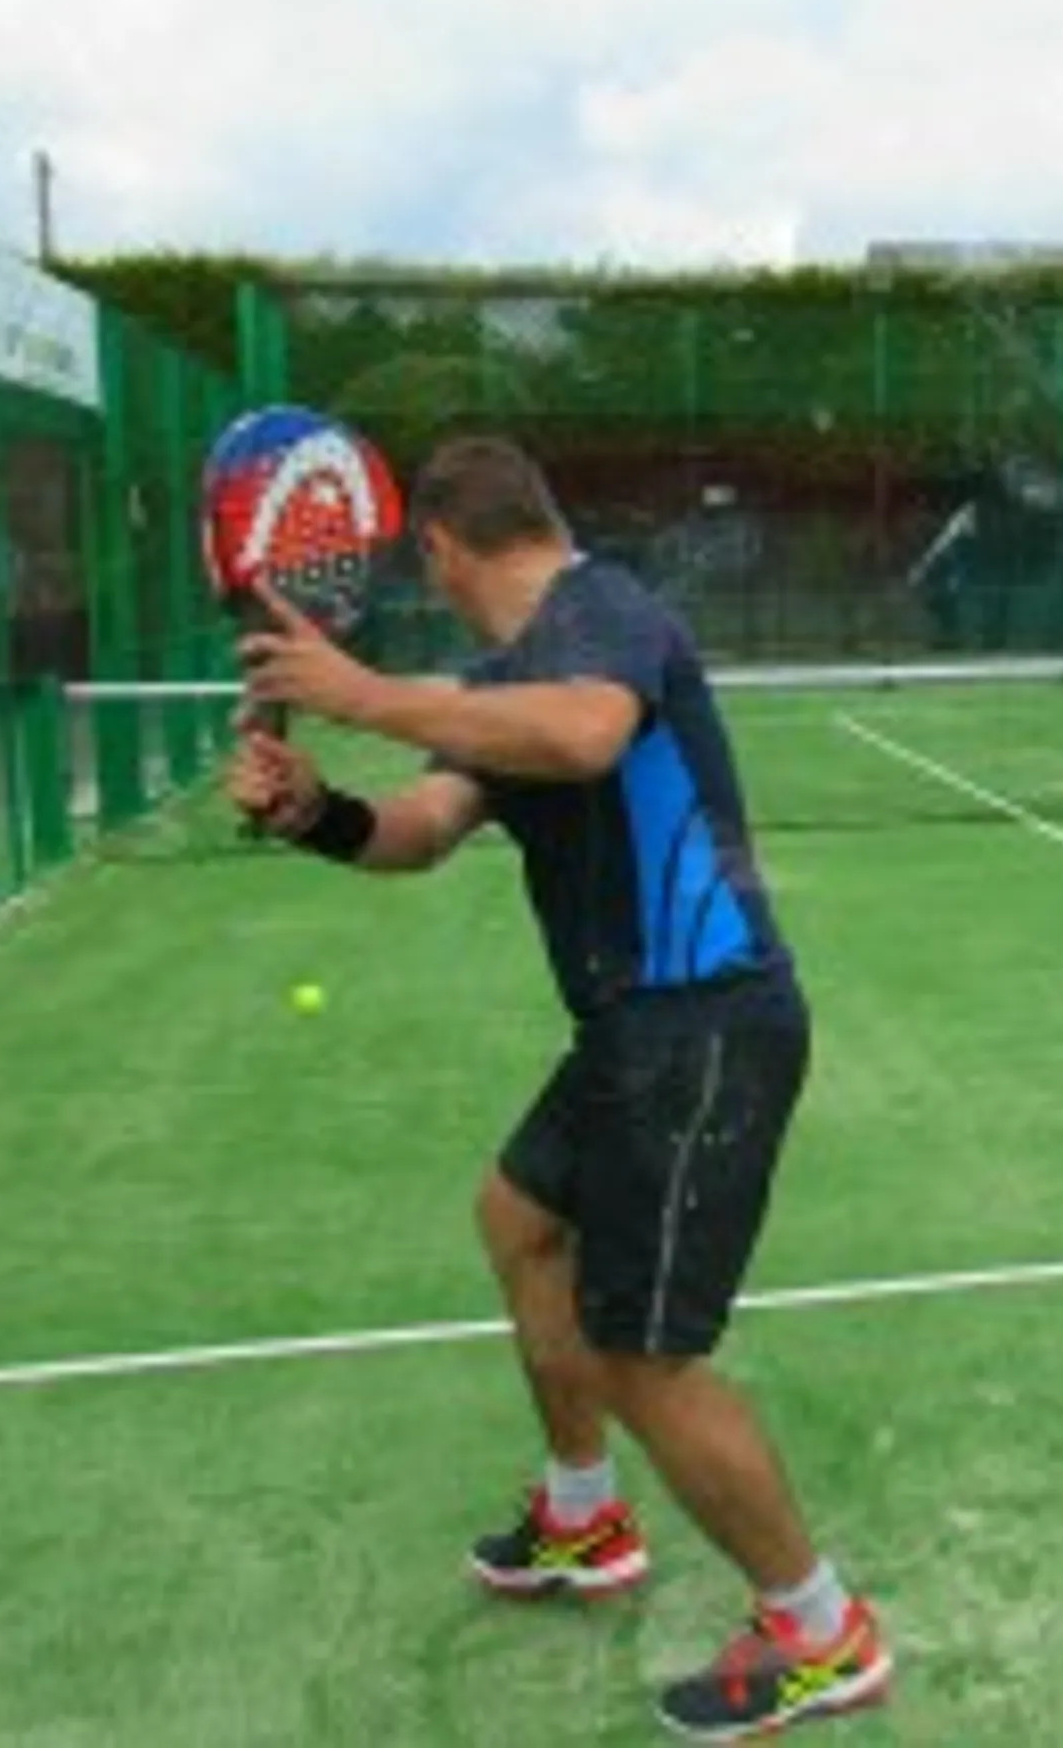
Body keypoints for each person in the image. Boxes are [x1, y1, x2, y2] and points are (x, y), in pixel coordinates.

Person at [227, 436, 891, 1739]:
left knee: (646, 1354)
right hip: (631, 1037)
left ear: (440, 548)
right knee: (518, 1219)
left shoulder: (606, 615)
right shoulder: (501, 680)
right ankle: (583, 1520)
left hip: (706, 1027)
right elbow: (418, 831)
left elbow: (586, 737)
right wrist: (314, 809)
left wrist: (361, 695)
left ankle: (820, 1630)